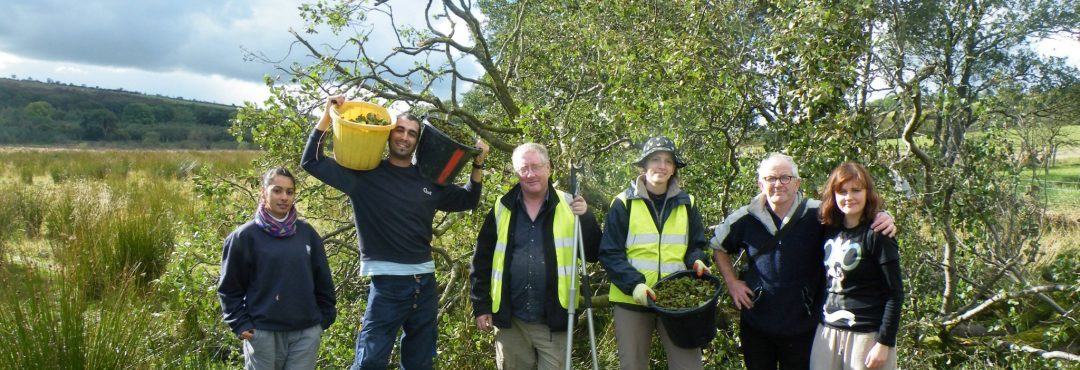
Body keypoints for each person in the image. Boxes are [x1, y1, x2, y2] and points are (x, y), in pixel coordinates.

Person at [301, 95, 489, 370]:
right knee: (370, 362)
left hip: (424, 283)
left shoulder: (428, 179)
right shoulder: (363, 176)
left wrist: (478, 164)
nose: (405, 137)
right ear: (389, 134)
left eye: (412, 133)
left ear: (418, 141)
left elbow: (467, 200)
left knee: (420, 362)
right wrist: (329, 115)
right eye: (399, 130)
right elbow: (312, 161)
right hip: (387, 284)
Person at [710, 153, 895, 370]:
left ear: (797, 183)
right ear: (760, 184)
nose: (778, 184)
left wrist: (882, 215)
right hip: (757, 325)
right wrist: (732, 283)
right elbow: (717, 246)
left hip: (804, 326)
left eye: (785, 178)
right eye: (771, 178)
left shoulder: (819, 213)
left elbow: (853, 210)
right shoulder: (744, 218)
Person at [469, 142, 603, 369]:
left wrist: (587, 217)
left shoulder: (571, 205)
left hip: (554, 319)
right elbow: (481, 260)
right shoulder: (502, 207)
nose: (530, 174)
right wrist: (481, 306)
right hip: (511, 322)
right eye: (524, 169)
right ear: (517, 172)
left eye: (536, 166)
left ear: (548, 168)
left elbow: (592, 254)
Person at [599, 136, 711, 370]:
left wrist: (698, 261)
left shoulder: (687, 202)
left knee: (689, 366)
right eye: (655, 159)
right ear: (644, 166)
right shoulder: (623, 203)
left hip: (676, 302)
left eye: (668, 161)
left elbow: (696, 245)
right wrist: (635, 285)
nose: (661, 165)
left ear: (673, 169)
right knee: (633, 365)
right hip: (632, 300)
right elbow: (610, 253)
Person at [218, 167, 337, 370]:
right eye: (277, 190)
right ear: (263, 193)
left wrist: (323, 320)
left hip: (305, 333)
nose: (284, 197)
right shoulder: (244, 237)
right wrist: (240, 323)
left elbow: (323, 280)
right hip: (263, 332)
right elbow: (229, 288)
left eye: (289, 192)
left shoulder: (306, 234)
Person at [809, 162, 903, 370]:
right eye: (842, 191)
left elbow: (894, 294)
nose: (849, 197)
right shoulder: (829, 229)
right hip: (827, 332)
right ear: (834, 195)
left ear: (867, 193)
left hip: (866, 335)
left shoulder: (879, 234)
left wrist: (884, 342)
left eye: (856, 190)